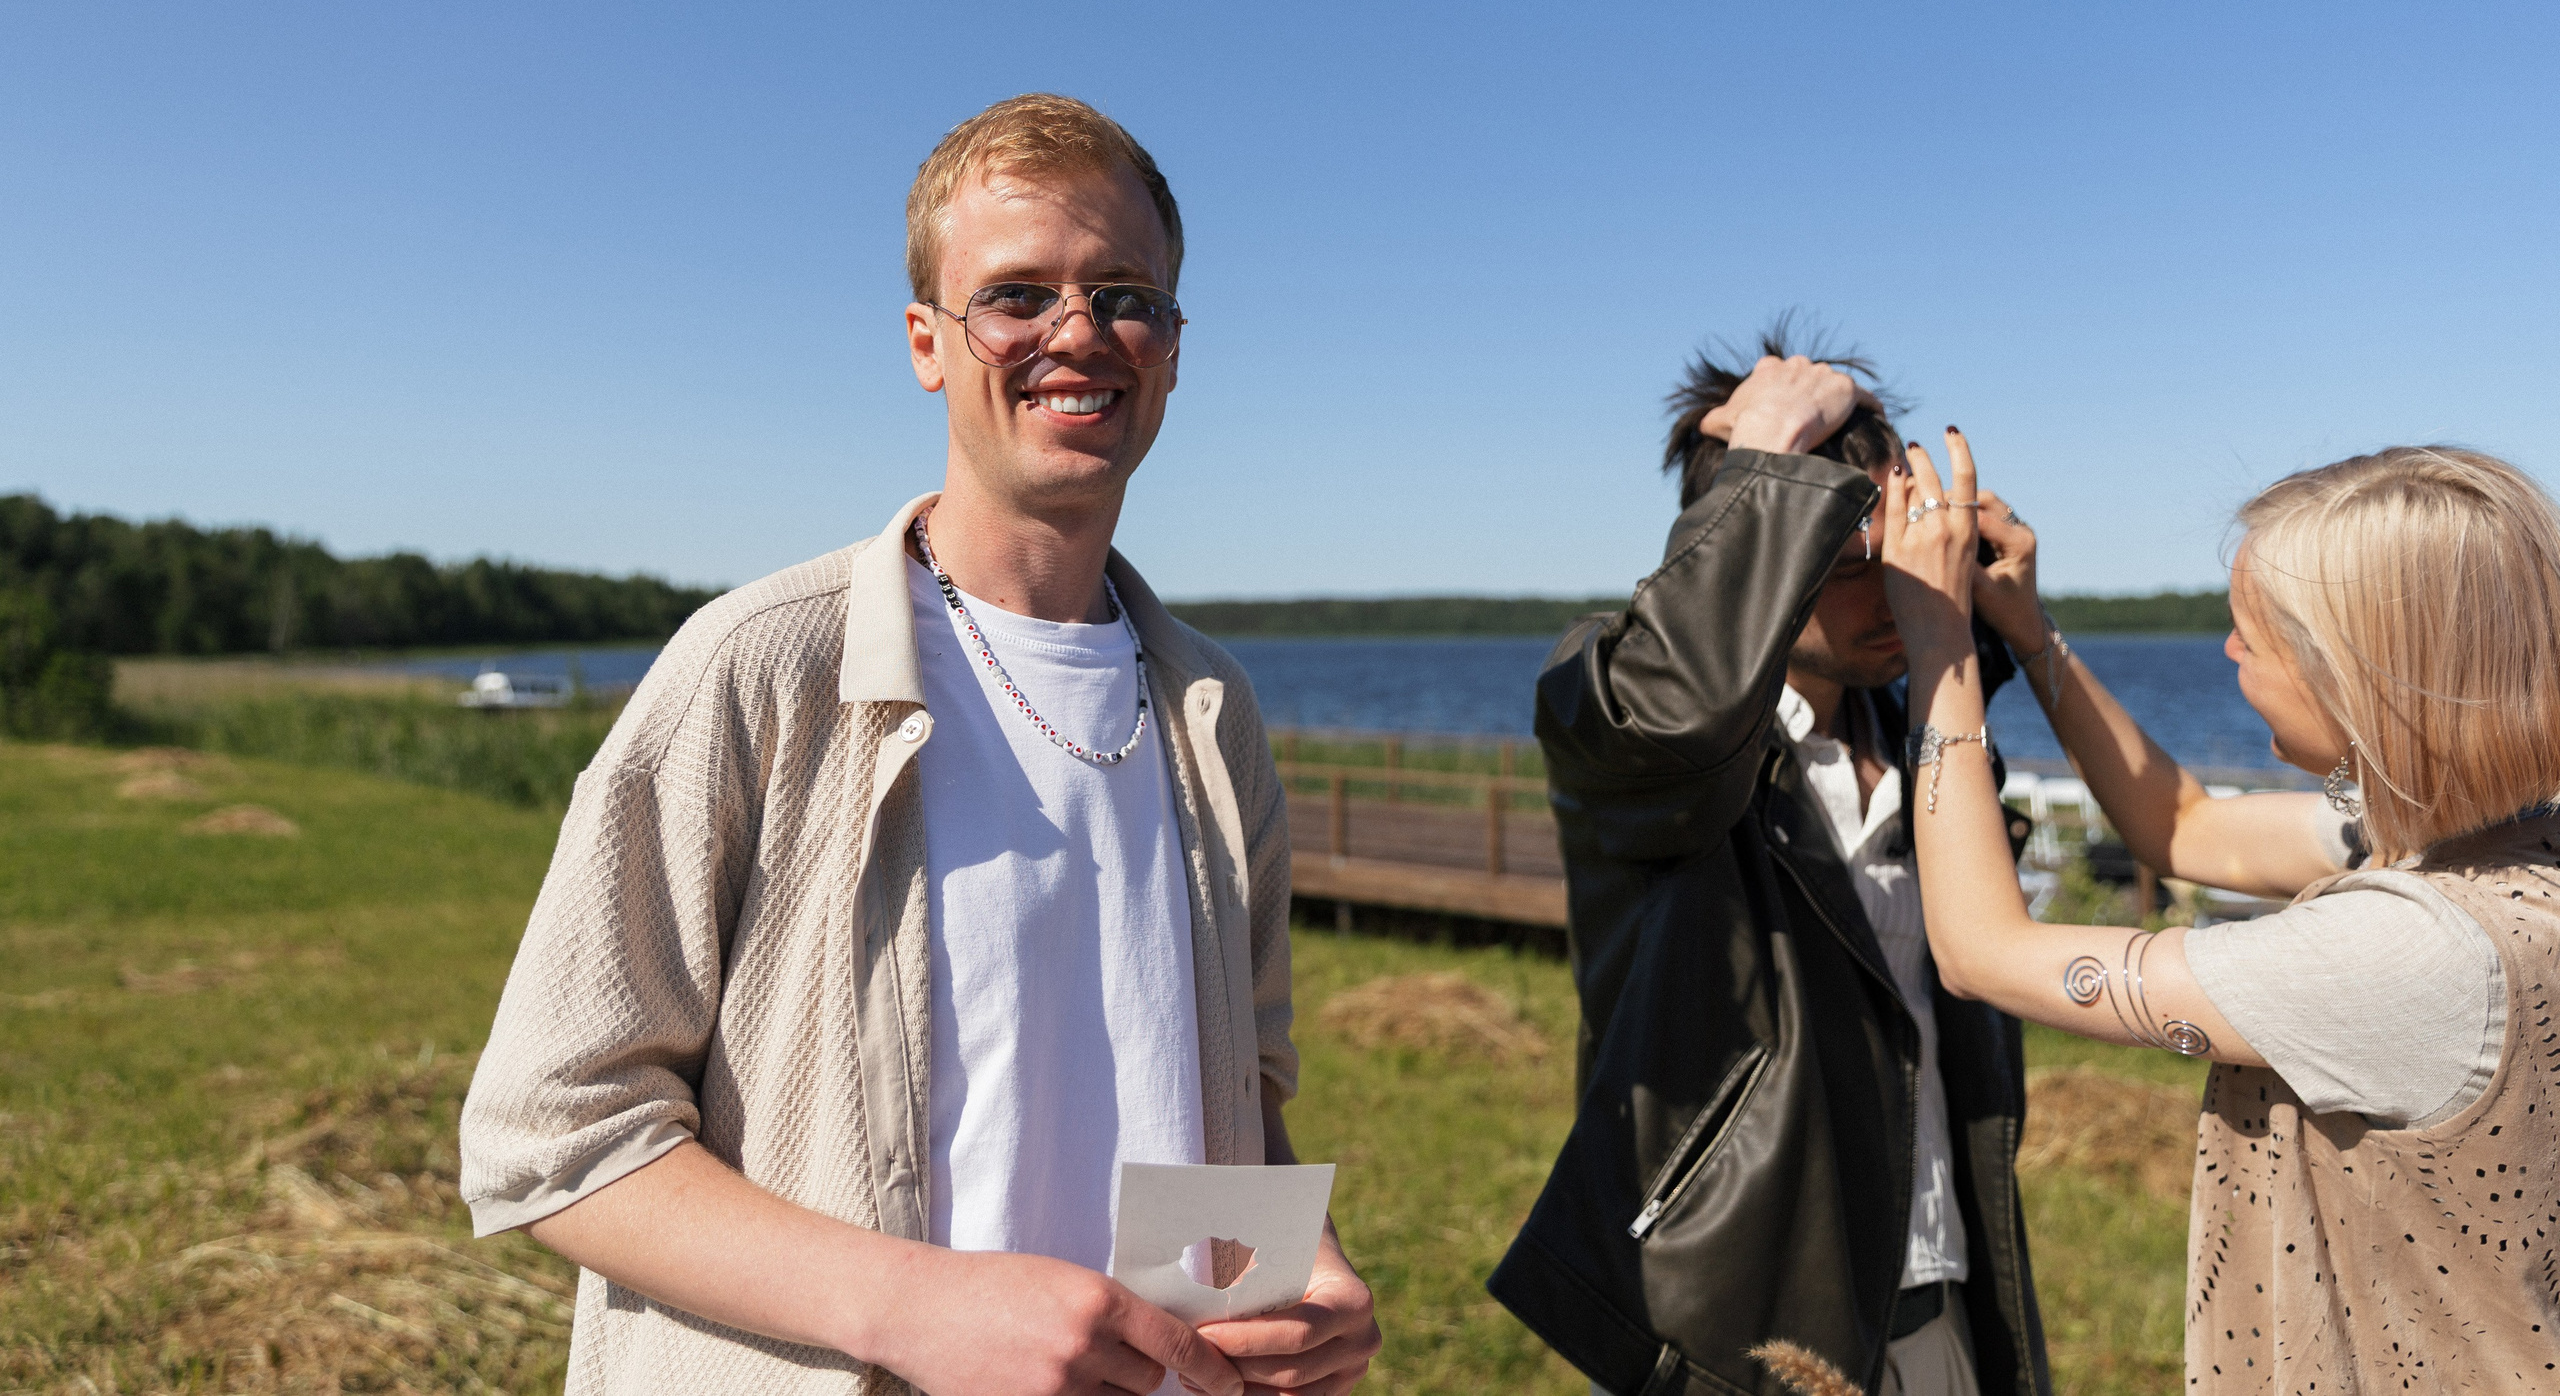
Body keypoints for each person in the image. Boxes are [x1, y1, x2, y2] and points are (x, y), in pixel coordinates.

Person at [459, 94, 1380, 1396]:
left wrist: (1305, 1267)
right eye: (1016, 294)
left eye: (1126, 294)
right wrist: (914, 1307)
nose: (1079, 332)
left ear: (1172, 346)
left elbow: (1236, 1101)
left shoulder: (1211, 711)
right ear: (926, 345)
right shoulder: (761, 668)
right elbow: (549, 1133)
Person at [1881, 434, 2560, 1390]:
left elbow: (1982, 951)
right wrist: (2028, 634)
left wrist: (1939, 648)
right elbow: (2186, 827)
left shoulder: (2411, 952)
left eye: (2254, 632)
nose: (2227, 647)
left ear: (2354, 675)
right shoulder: (2491, 840)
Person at [1489, 337, 2052, 1396]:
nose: (1887, 594)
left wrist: (1996, 630)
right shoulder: (1616, 711)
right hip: (1739, 1310)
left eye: (1901, 556)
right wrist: (1763, 450)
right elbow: (1674, 710)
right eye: (1846, 566)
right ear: (1764, 551)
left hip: (1941, 1281)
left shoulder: (1925, 723)